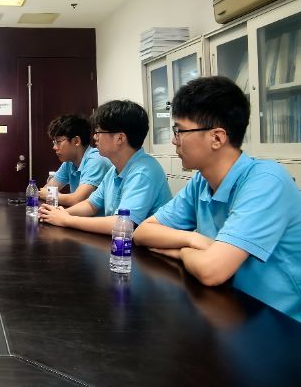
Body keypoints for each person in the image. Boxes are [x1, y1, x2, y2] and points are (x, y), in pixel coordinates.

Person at [133, 76, 301, 322]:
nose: (173, 140)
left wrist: (181, 252)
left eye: (180, 130)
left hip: (281, 324)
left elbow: (211, 271)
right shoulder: (201, 181)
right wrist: (193, 239)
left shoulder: (267, 180)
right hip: (230, 308)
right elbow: (142, 232)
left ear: (217, 138)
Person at [38, 100, 171, 235]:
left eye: (98, 132)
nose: (95, 137)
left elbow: (122, 223)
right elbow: (91, 205)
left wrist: (66, 220)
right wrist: (59, 214)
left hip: (144, 247)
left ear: (120, 138)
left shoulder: (143, 171)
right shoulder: (115, 170)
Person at [39, 114, 112, 207]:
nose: (54, 147)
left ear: (76, 141)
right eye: (54, 142)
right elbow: (47, 189)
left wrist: (50, 195)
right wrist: (52, 195)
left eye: (58, 142)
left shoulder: (96, 160)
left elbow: (77, 200)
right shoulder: (69, 162)